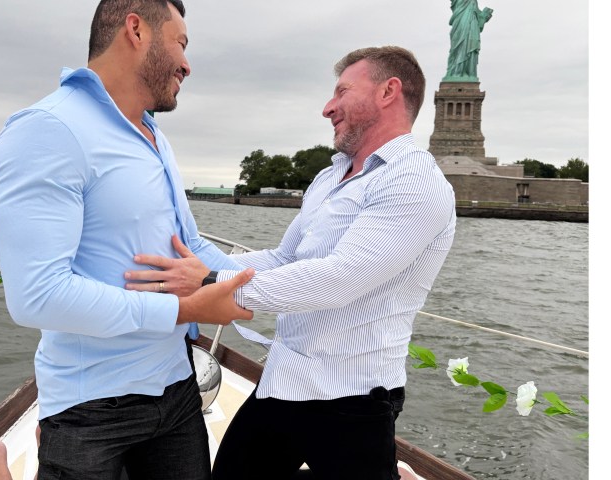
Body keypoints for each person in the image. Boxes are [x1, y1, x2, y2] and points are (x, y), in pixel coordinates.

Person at [125, 46, 457, 479]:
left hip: (352, 399)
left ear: (388, 91)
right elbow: (285, 258)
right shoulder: (329, 177)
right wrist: (195, 264)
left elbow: (338, 278)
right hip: (285, 380)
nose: (327, 107)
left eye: (341, 91)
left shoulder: (415, 181)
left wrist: (208, 281)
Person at [0, 1, 254, 478]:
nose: (188, 64)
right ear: (136, 30)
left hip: (176, 388)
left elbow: (190, 246)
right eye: (181, 43)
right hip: (91, 407)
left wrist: (280, 279)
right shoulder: (49, 130)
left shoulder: (154, 136)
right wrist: (187, 310)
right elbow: (36, 297)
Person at [443, 0, 493, 81]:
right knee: (459, 47)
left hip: (472, 22)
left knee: (471, 44)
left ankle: (469, 72)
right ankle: (456, 72)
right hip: (460, 21)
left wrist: (484, 16)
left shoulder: (473, 2)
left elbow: (478, 15)